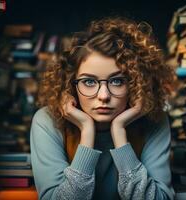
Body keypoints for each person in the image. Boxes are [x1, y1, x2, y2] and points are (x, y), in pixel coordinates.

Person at [30, 17, 175, 200]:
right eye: (89, 82)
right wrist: (87, 131)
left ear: (137, 83)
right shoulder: (47, 121)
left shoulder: (154, 120)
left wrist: (119, 131)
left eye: (117, 81)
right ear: (71, 85)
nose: (104, 96)